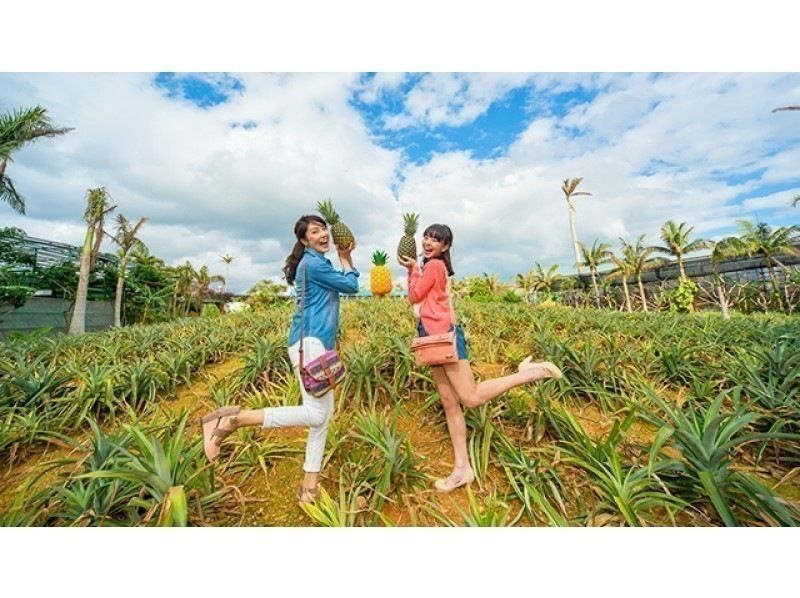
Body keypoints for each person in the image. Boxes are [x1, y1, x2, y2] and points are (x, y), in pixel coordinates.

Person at [200, 214, 359, 504]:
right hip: (309, 343)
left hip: (318, 343)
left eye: (324, 228)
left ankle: (309, 487)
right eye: (315, 231)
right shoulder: (312, 264)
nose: (323, 234)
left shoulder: (318, 263)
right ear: (303, 240)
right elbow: (351, 287)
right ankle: (234, 419)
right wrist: (347, 259)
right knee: (315, 414)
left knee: (322, 417)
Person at [398, 224, 563, 493]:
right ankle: (462, 468)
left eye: (435, 240)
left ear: (445, 247)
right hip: (430, 338)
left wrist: (411, 270)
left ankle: (531, 372)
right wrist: (414, 270)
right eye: (426, 237)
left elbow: (414, 295)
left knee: (470, 398)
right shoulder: (431, 266)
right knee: (450, 404)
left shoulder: (434, 266)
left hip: (443, 336)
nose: (428, 242)